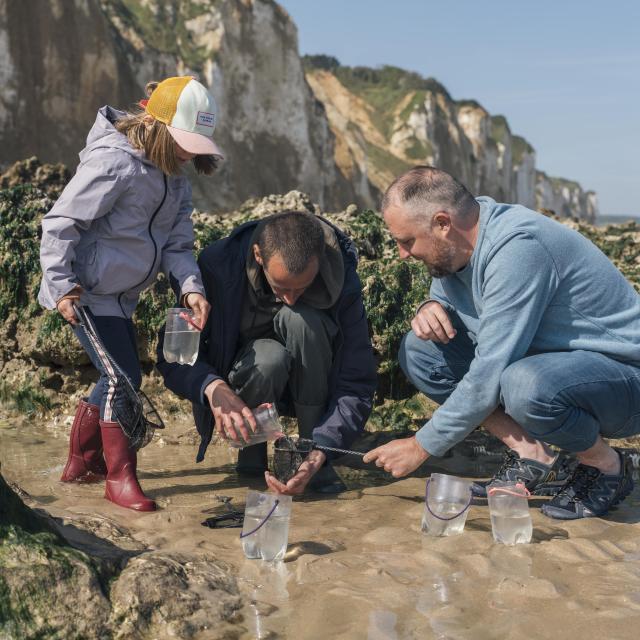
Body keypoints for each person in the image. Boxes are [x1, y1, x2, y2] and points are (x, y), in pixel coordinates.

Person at [364, 165, 640, 519]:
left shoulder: (517, 249)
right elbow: (453, 287)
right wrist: (431, 305)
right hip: (557, 365)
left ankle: (608, 466)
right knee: (420, 352)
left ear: (443, 222)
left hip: (624, 377)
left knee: (522, 384)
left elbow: (489, 372)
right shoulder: (461, 239)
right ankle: (532, 454)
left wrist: (421, 446)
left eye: (407, 241)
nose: (402, 253)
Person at [39, 76, 221, 511]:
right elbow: (61, 223)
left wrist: (191, 286)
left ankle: (81, 463)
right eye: (184, 143)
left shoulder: (174, 179)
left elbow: (177, 243)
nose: (187, 154)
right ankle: (120, 478)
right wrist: (63, 286)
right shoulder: (113, 162)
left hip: (122, 298)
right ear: (156, 125)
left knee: (117, 376)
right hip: (86, 293)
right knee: (123, 379)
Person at [158, 210, 377, 495]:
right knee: (268, 357)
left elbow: (356, 381)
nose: (289, 298)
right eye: (281, 287)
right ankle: (251, 460)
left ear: (320, 261)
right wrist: (212, 387)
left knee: (301, 319)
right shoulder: (218, 265)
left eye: (303, 287)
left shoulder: (343, 277)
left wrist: (324, 449)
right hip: (246, 382)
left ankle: (310, 455)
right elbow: (172, 356)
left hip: (315, 381)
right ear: (258, 255)